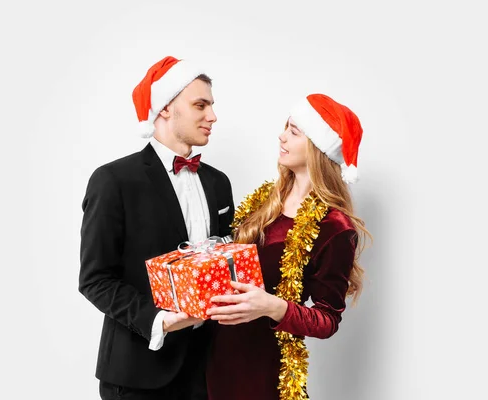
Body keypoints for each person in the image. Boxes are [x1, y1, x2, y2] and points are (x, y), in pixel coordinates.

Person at [79, 56, 234, 400]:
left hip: (206, 370)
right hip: (138, 373)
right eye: (200, 105)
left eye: (212, 106)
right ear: (165, 109)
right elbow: (95, 279)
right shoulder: (113, 180)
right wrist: (158, 320)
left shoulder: (219, 183)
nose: (213, 116)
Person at [205, 93, 371, 399]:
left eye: (294, 131)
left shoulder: (335, 227)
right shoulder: (267, 200)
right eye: (286, 128)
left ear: (318, 149)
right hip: (215, 355)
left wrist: (271, 306)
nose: (282, 136)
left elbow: (327, 320)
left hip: (264, 367)